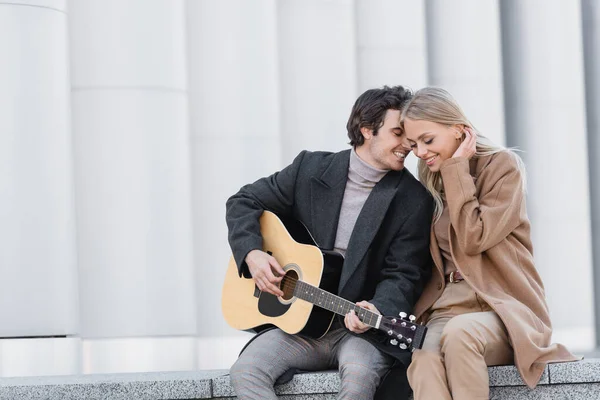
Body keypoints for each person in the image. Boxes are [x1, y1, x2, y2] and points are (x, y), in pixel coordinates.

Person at [225, 85, 434, 400]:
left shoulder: (413, 199)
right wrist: (252, 253)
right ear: (366, 130)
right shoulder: (310, 170)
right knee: (246, 371)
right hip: (300, 324)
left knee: (360, 376)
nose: (408, 144)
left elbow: (405, 273)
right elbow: (244, 201)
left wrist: (378, 308)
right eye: (397, 133)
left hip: (358, 331)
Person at [400, 87, 578, 400]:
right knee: (424, 354)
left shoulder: (501, 167)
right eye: (414, 145)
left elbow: (473, 238)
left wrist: (456, 169)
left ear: (458, 129)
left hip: (502, 304)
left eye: (428, 140)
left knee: (461, 335)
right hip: (446, 307)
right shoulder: (431, 177)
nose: (421, 152)